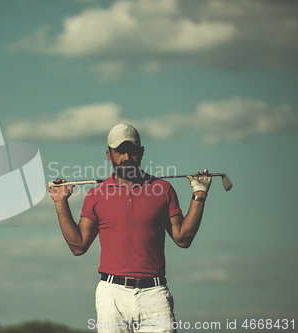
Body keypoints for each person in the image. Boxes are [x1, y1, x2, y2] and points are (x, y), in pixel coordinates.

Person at [48, 123, 212, 333]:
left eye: (131, 150)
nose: (126, 157)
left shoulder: (162, 189)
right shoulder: (96, 194)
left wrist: (199, 194)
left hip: (154, 293)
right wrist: (60, 202)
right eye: (119, 151)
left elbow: (183, 239)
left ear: (141, 152)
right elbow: (78, 246)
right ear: (109, 154)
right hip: (112, 293)